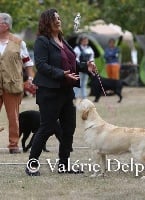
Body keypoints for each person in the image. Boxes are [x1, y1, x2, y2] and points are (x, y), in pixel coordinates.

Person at [25, 8, 96, 176]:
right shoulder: (42, 41)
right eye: (54, 18)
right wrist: (60, 73)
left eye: (59, 18)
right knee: (47, 128)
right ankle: (31, 165)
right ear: (46, 22)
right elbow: (40, 65)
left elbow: (73, 63)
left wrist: (86, 66)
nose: (58, 21)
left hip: (66, 91)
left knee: (68, 128)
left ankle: (64, 165)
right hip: (49, 92)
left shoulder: (62, 40)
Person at [0, 13, 34, 154]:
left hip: (13, 84)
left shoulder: (19, 42)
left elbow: (28, 63)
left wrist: (30, 78)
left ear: (6, 25)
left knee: (13, 116)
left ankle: (13, 145)